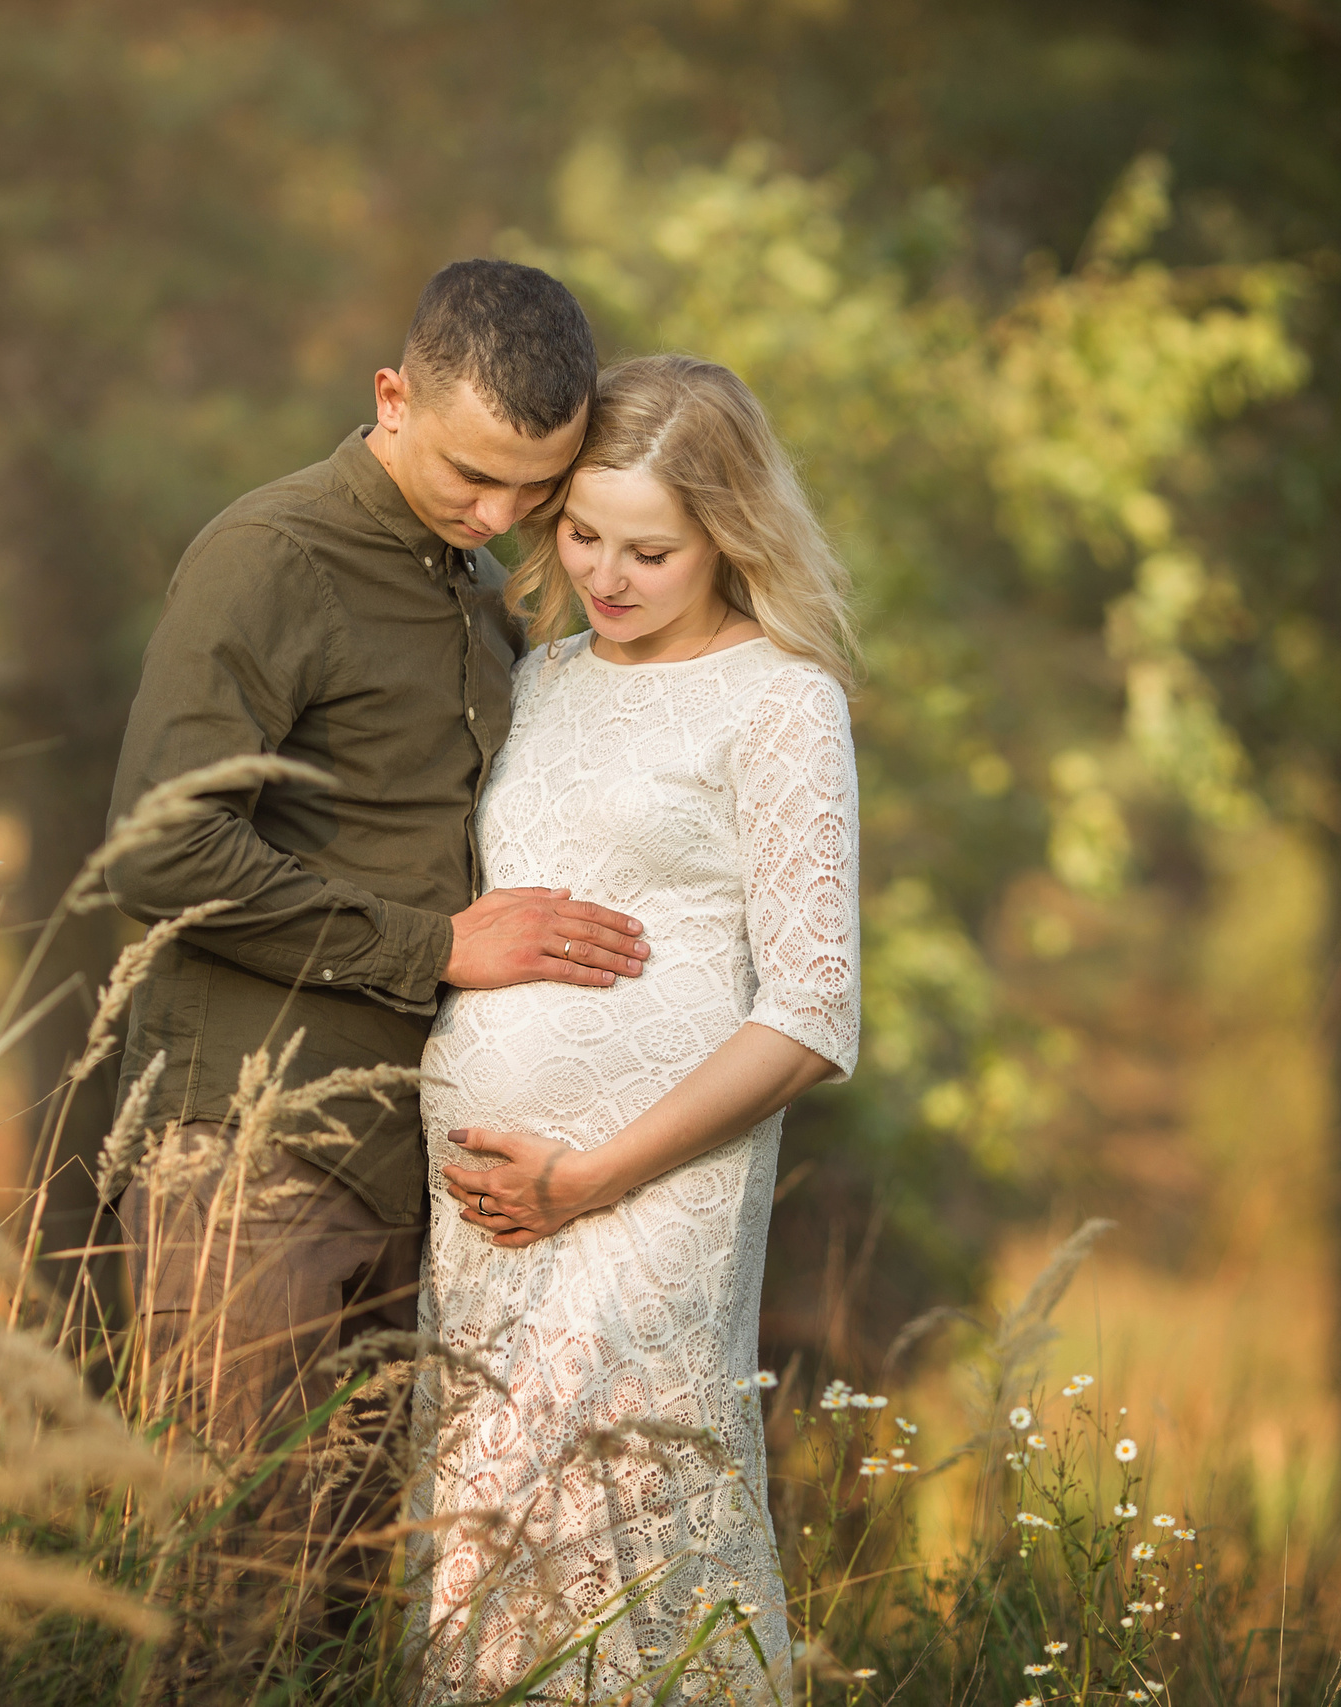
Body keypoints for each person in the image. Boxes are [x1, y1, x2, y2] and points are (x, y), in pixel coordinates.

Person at [101, 262, 649, 1497]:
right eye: (471, 474)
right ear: (392, 398)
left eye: (535, 485)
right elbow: (158, 846)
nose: (498, 511)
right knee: (234, 1580)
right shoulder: (269, 556)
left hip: (418, 1163)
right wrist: (438, 948)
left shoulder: (476, 591)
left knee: (350, 1591)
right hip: (253, 1152)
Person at [411, 353, 861, 1701]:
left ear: (728, 532)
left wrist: (590, 1174)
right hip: (487, 1205)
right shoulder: (541, 675)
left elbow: (814, 1007)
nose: (605, 573)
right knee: (486, 1558)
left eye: (649, 549)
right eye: (583, 533)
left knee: (620, 1531)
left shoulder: (783, 700)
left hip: (644, 1194)